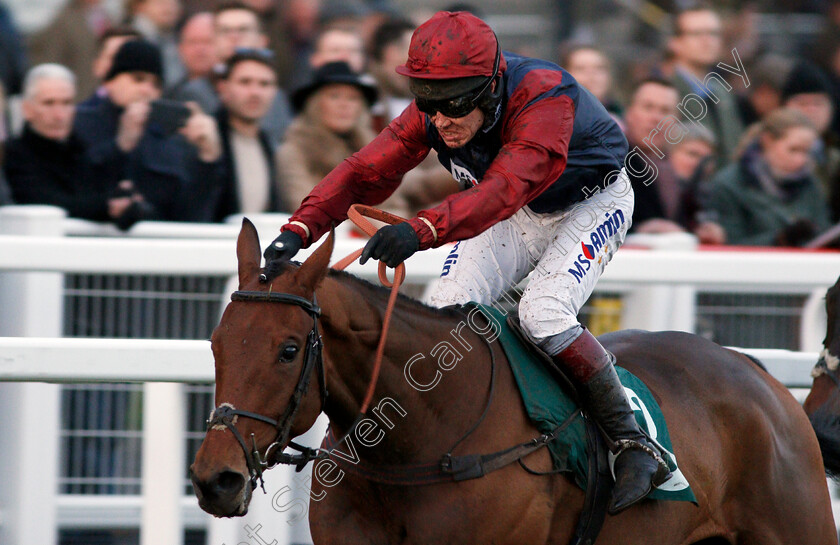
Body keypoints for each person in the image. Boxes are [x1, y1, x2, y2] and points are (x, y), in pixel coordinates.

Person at [264, 11, 669, 514]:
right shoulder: (439, 110)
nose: (441, 120)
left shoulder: (545, 99)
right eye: (429, 104)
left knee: (541, 313)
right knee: (449, 312)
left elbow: (503, 191)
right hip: (516, 205)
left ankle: (632, 442)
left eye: (456, 104)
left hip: (590, 204)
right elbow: (363, 170)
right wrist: (296, 230)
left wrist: (419, 230)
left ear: (493, 88)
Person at [74, 40, 224, 223]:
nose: (146, 90)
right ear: (110, 81)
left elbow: (190, 214)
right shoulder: (80, 123)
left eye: (156, 84)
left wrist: (208, 159)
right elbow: (75, 186)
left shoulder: (168, 140)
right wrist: (120, 146)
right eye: (137, 79)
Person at [4, 64, 141, 225]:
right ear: (27, 109)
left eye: (66, 103)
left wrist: (126, 205)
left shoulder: (83, 152)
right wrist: (108, 206)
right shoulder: (13, 155)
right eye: (49, 103)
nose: (59, 115)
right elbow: (45, 204)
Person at [708, 108, 831, 247]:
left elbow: (823, 229)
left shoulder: (810, 184)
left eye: (806, 152)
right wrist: (780, 240)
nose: (801, 160)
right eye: (794, 149)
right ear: (767, 141)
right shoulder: (729, 184)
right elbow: (729, 243)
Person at [277, 61, 378, 211]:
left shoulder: (373, 150)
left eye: (353, 98)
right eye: (334, 96)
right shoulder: (294, 151)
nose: (344, 105)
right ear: (314, 104)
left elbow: (394, 204)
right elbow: (309, 209)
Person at [213, 49, 285, 220]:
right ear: (223, 88)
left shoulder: (270, 144)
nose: (255, 92)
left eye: (265, 84)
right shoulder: (206, 139)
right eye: (245, 82)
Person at [668, 3, 744, 162]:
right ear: (675, 42)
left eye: (713, 33)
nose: (707, 40)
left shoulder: (722, 90)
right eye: (697, 34)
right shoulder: (667, 91)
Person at [28, 0, 115, 101]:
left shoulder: (106, 16)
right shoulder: (64, 20)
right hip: (79, 95)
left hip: (102, 94)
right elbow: (51, 61)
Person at [80, 26, 143, 107]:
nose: (125, 66)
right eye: (115, 57)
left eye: (133, 58)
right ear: (97, 65)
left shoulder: (160, 113)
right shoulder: (80, 116)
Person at [165, 12, 216, 99]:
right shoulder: (170, 94)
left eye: (207, 41)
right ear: (180, 48)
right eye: (192, 42)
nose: (200, 49)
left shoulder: (230, 92)